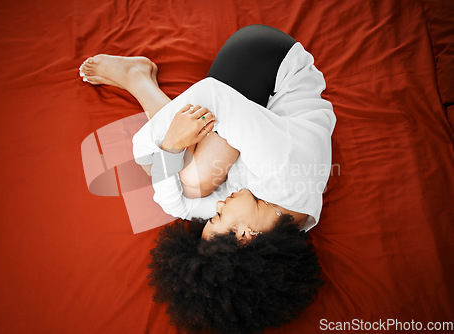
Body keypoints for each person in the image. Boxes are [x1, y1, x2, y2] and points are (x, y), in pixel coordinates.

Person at [80, 25, 334, 333]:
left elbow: (180, 208)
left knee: (172, 171)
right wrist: (156, 144)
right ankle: (137, 79)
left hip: (257, 119)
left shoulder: (270, 221)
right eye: (217, 218)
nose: (217, 209)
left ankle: (139, 78)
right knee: (190, 177)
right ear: (245, 237)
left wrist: (171, 147)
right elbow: (213, 95)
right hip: (266, 62)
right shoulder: (283, 169)